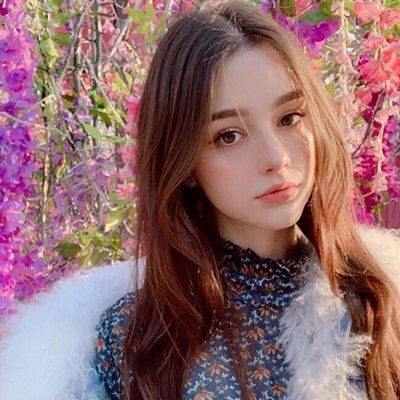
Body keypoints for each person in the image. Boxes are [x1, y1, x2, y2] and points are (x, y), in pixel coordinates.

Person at [0, 1, 399, 400]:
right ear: (185, 162)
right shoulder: (138, 337)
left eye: (290, 118)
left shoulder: (377, 301)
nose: (276, 157)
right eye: (229, 136)